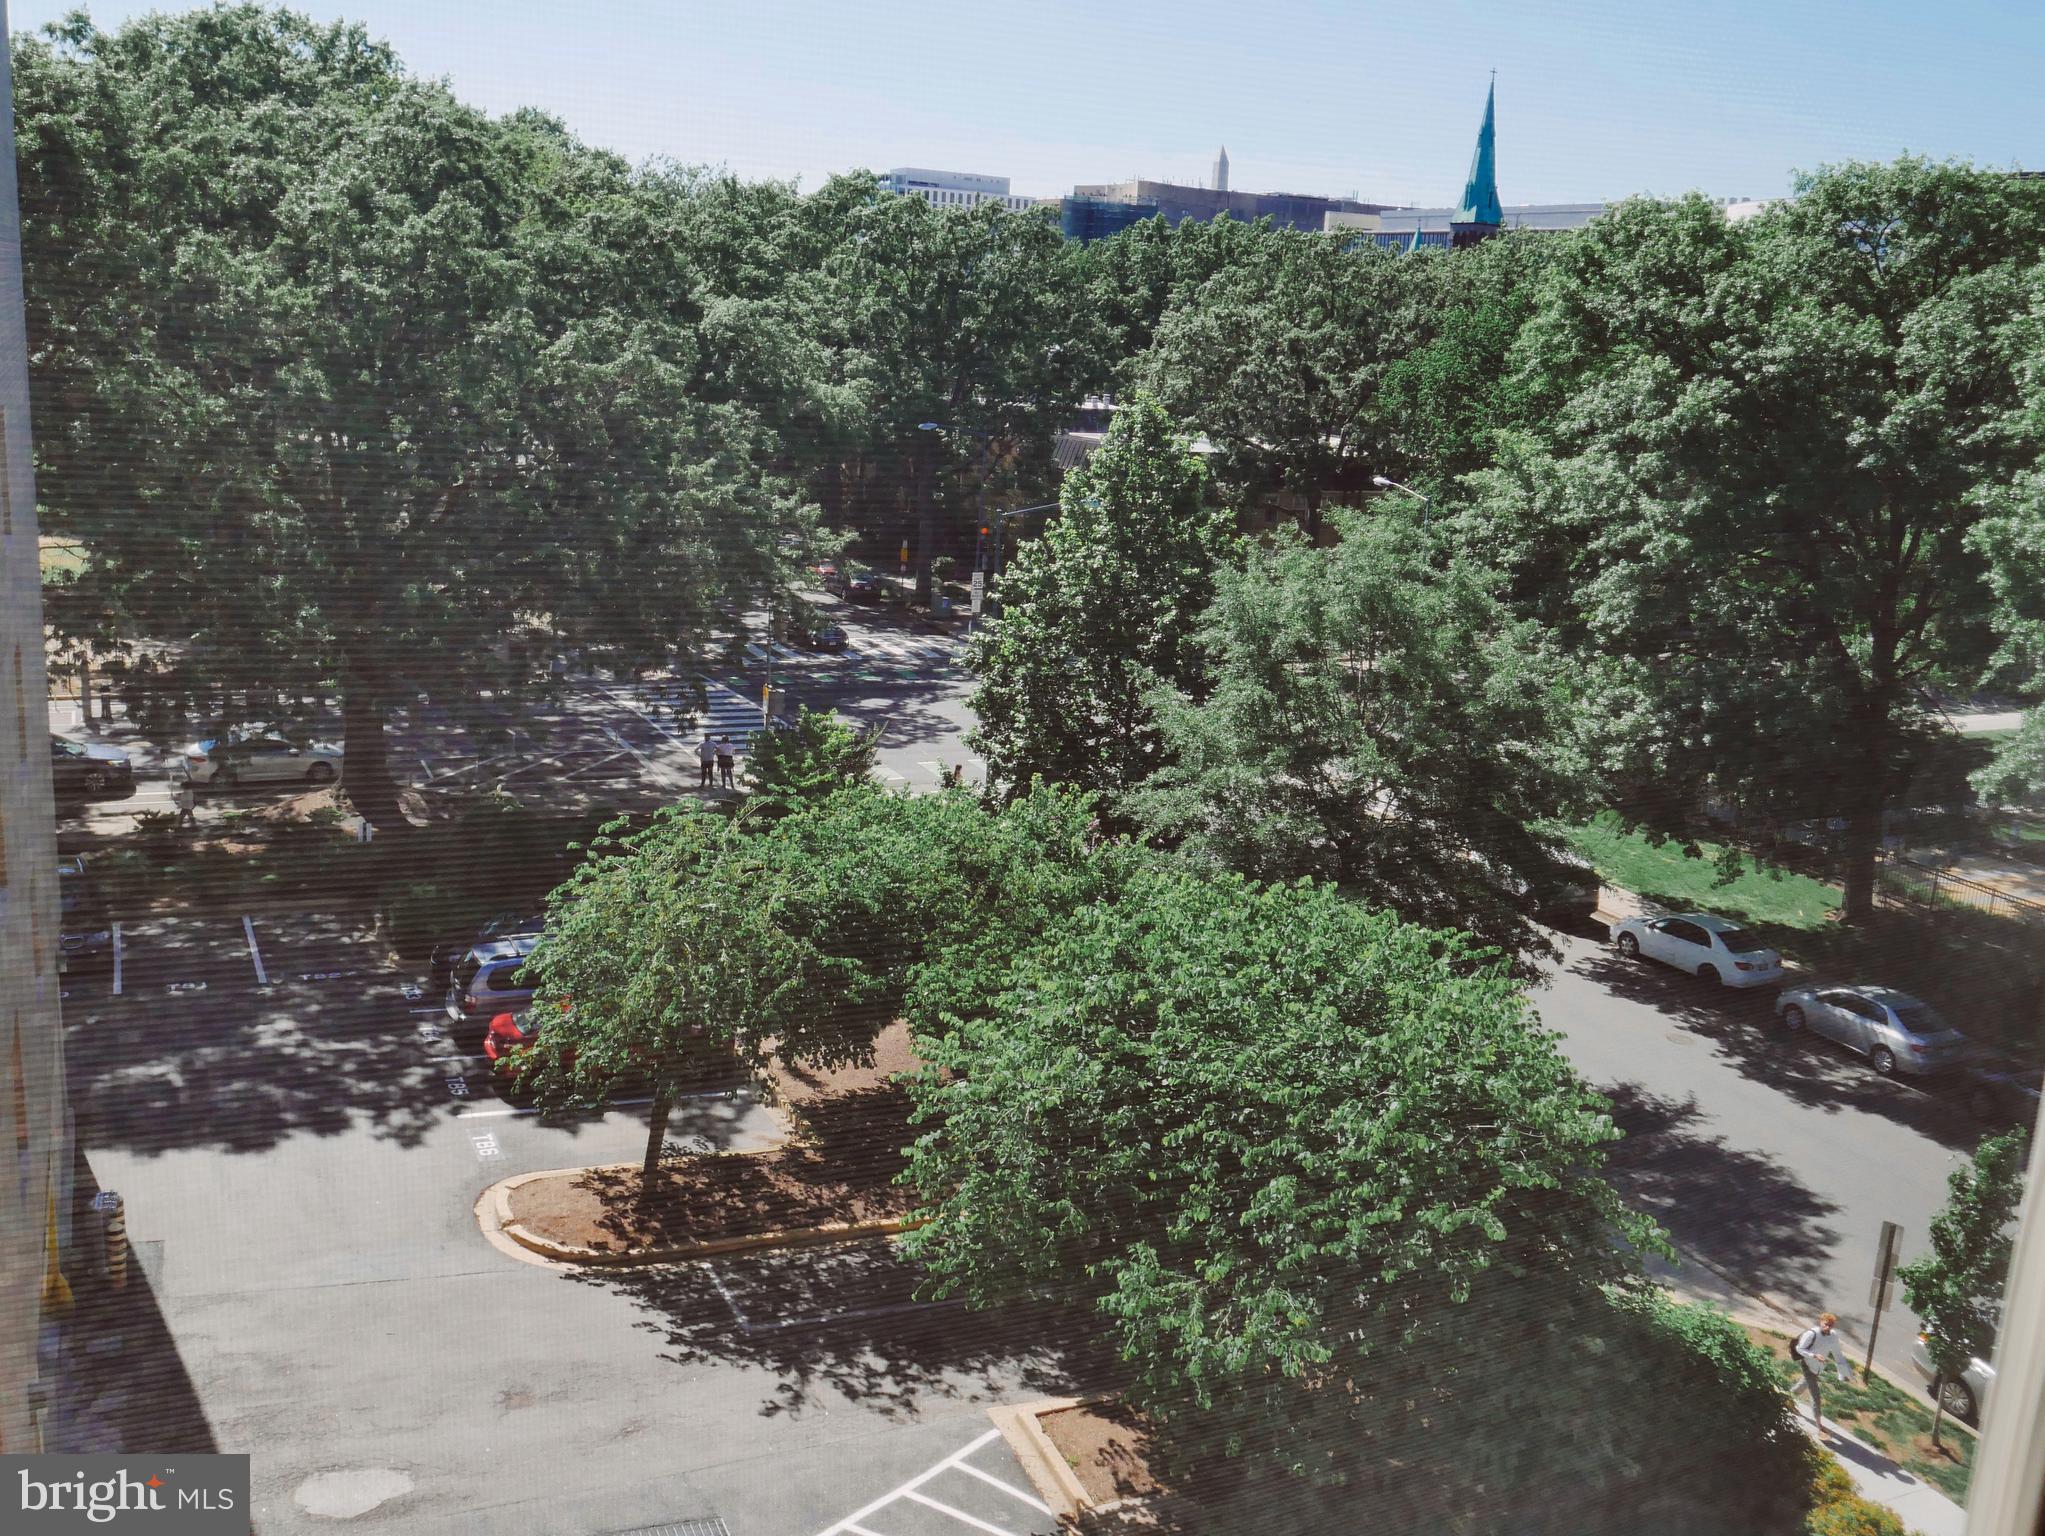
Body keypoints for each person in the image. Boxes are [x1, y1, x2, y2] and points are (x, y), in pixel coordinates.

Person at [1791, 1312, 1852, 1428]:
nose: (1827, 1327)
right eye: (1825, 1324)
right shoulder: (1811, 1333)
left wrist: (1843, 1373)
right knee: (1816, 1396)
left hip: (1818, 1367)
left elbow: (1837, 1353)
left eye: (1830, 1325)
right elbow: (1799, 1348)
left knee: (1802, 1385)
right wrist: (1814, 1356)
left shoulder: (1833, 1335)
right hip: (1808, 1365)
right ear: (1820, 1322)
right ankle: (1819, 1425)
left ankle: (1786, 1397)